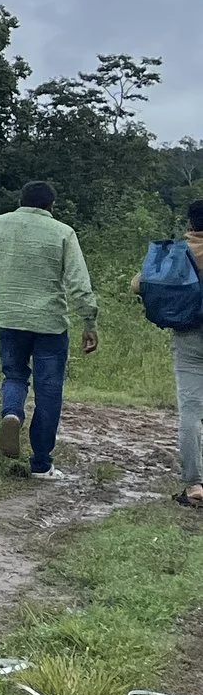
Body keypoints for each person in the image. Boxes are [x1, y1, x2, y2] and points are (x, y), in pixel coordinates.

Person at [0, 181, 97, 481]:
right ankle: (41, 464)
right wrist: (89, 321)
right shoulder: (62, 232)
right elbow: (79, 283)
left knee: (15, 375)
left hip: (9, 319)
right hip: (50, 325)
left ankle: (12, 413)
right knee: (49, 391)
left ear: (21, 201)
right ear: (51, 205)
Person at [129, 198, 203, 510]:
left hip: (188, 337)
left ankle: (195, 484)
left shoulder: (179, 252)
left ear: (190, 224)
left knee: (191, 410)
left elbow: (138, 284)